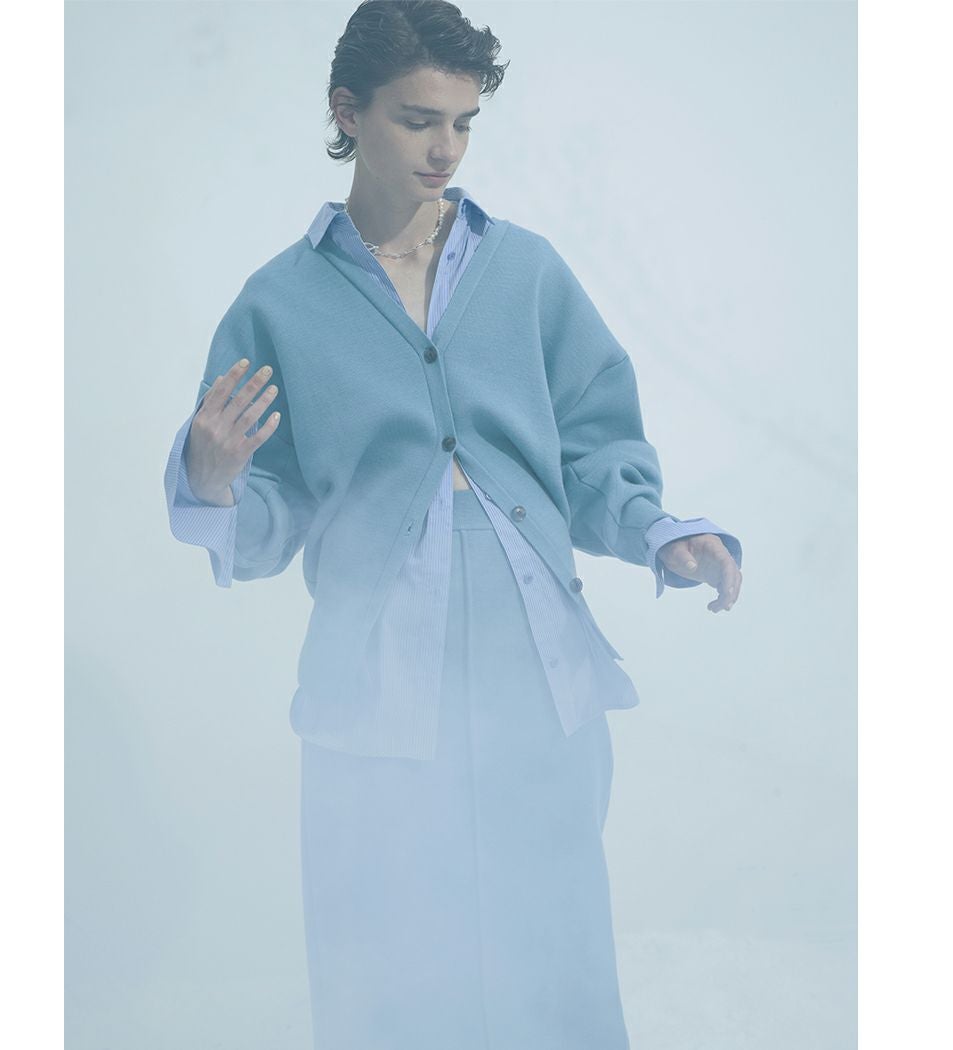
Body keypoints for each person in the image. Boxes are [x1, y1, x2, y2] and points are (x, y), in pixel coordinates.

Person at [163, 2, 743, 1047]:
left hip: (538, 669)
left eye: (464, 123)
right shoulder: (278, 304)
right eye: (418, 119)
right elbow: (268, 518)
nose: (446, 149)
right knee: (389, 968)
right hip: (378, 685)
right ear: (348, 111)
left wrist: (661, 530)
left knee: (555, 951)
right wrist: (213, 483)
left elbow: (591, 447)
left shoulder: (525, 271)